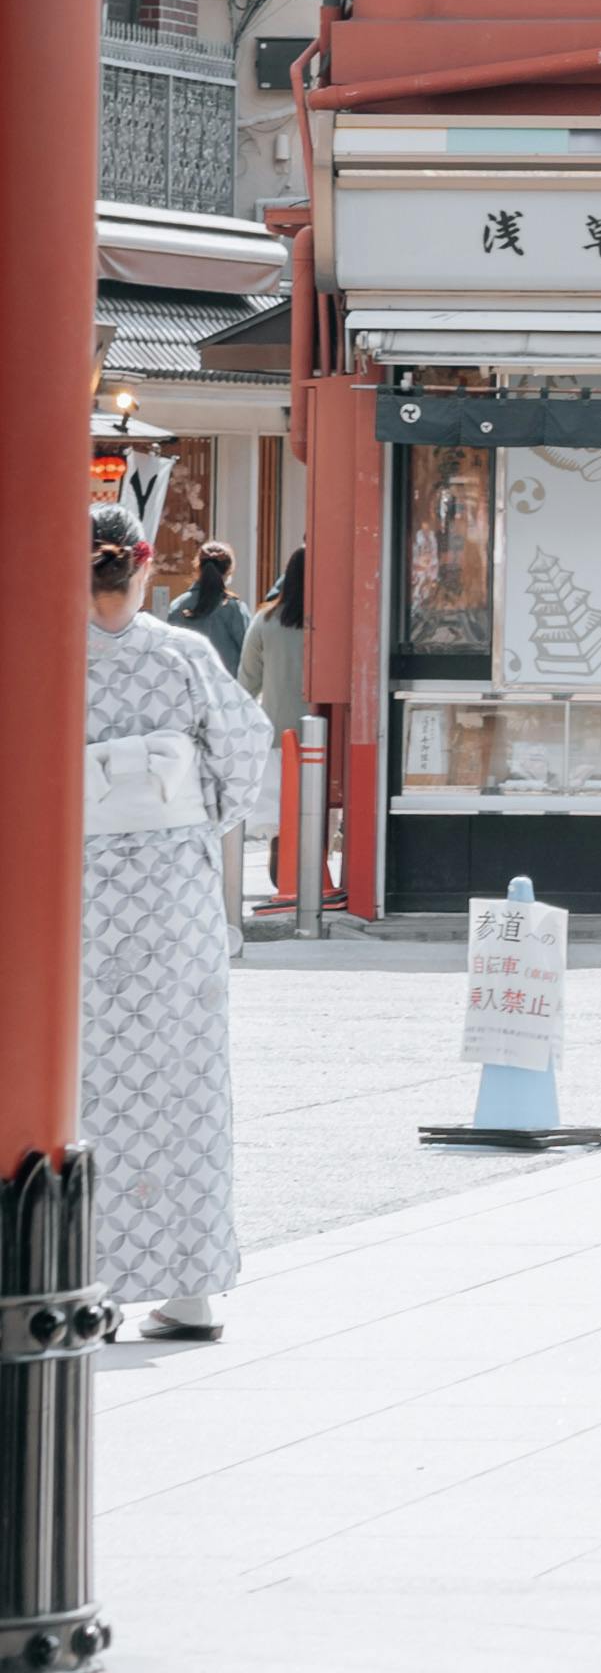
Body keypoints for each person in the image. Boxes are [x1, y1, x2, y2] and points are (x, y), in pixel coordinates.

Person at [82, 510, 277, 1339]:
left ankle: (89, 1278)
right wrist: (193, 827)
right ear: (147, 563)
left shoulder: (41, 653)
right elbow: (244, 752)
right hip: (173, 897)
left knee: (88, 1086)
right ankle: (190, 1286)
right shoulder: (185, 654)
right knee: (185, 1083)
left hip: (81, 893)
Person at [237, 543, 307, 749]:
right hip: (327, 732)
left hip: (277, 736)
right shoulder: (335, 625)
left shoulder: (265, 621)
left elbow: (246, 684)